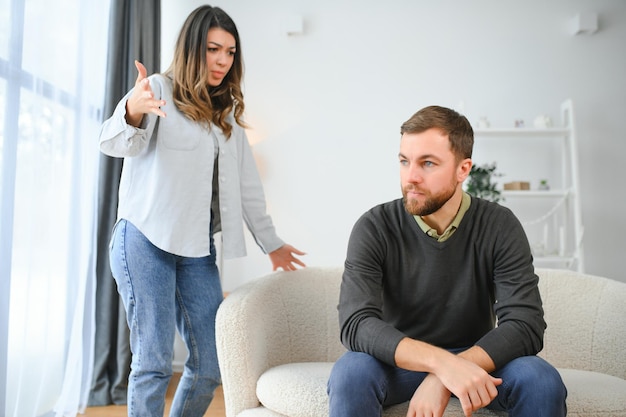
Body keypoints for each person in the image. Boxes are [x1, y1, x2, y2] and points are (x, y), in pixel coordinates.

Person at [99, 5, 306, 417]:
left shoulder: (226, 116)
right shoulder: (156, 89)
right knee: (154, 363)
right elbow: (113, 142)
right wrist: (133, 111)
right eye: (214, 49)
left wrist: (272, 244)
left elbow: (247, 189)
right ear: (194, 48)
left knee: (211, 364)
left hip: (197, 250)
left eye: (230, 52)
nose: (223, 61)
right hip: (146, 240)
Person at [327, 105, 567, 417]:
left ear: (463, 169)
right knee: (350, 373)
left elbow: (525, 324)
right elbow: (356, 324)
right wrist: (442, 365)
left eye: (428, 163)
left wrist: (453, 370)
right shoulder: (374, 226)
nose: (411, 177)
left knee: (540, 380)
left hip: (476, 359)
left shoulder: (499, 224)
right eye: (404, 161)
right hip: (397, 363)